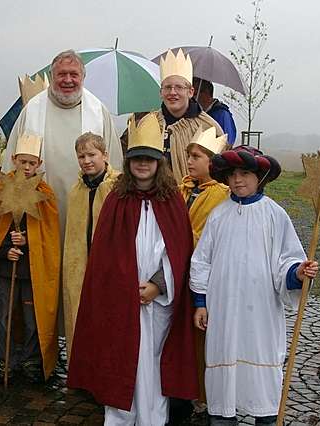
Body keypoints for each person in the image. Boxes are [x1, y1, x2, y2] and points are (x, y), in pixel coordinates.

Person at [69, 113, 198, 425]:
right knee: (121, 357)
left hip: (158, 302)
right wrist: (123, 287)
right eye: (137, 159)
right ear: (128, 163)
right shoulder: (116, 199)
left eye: (149, 159)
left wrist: (157, 284)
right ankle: (120, 419)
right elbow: (105, 255)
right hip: (121, 300)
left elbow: (179, 252)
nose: (143, 165)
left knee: (153, 363)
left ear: (159, 163)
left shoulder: (172, 201)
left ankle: (153, 419)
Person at [189, 145, 319, 425]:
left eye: (245, 173)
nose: (238, 180)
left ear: (260, 176)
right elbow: (202, 262)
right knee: (224, 363)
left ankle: (267, 416)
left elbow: (288, 258)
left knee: (261, 365)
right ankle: (223, 418)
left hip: (261, 311)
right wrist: (200, 302)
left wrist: (297, 272)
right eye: (233, 174)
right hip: (223, 309)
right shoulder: (218, 215)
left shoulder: (275, 215)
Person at [2, 49, 122, 223]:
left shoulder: (98, 111)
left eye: (74, 74)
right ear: (52, 76)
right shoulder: (32, 110)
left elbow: (114, 165)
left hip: (89, 206)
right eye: (62, 74)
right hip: (39, 206)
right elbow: (12, 162)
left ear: (83, 77)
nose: (68, 80)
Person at [0, 134, 61, 383]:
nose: (27, 168)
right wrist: (5, 249)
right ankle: (4, 359)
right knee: (3, 316)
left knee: (32, 319)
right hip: (6, 270)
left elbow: (48, 236)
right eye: (23, 162)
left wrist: (28, 241)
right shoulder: (1, 189)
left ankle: (31, 359)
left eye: (32, 163)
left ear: (39, 163)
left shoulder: (45, 194)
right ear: (13, 160)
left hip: (32, 272)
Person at [176, 126, 229, 420]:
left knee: (201, 338)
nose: (190, 161)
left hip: (202, 275)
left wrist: (181, 239)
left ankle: (204, 394)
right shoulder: (181, 188)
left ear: (213, 162)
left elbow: (209, 237)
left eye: (197, 156)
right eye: (189, 155)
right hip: (177, 272)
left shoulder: (221, 195)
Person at [62, 131, 120, 360]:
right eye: (81, 156)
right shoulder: (76, 191)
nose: (86, 161)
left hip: (107, 267)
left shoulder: (117, 188)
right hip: (80, 267)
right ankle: (82, 368)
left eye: (91, 155)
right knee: (80, 315)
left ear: (105, 155)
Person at [155, 49, 222, 183]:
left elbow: (218, 172)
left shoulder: (208, 127)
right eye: (167, 87)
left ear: (191, 92)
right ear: (160, 92)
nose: (172, 92)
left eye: (179, 87)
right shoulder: (149, 123)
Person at [192, 77, 237, 146]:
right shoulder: (198, 113)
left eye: (195, 94)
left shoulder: (222, 114)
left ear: (206, 93)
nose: (192, 97)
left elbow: (227, 141)